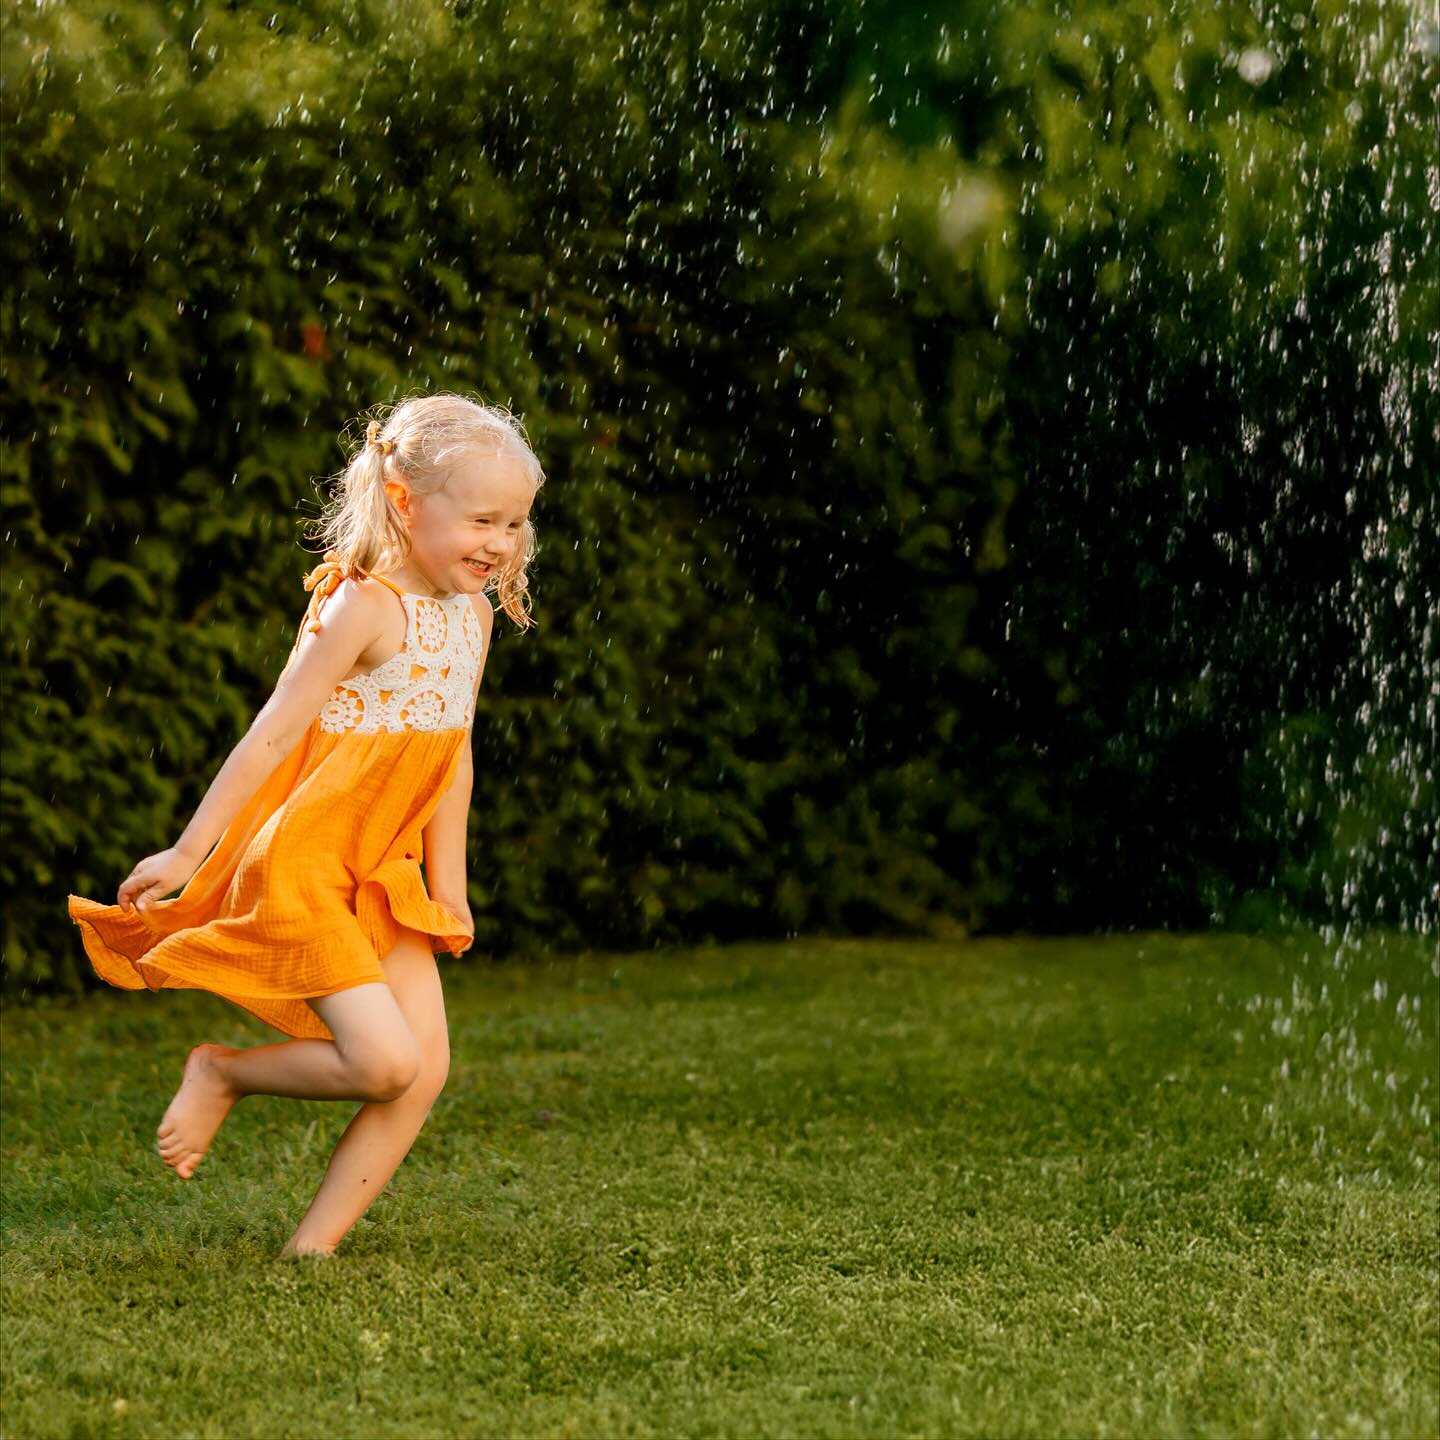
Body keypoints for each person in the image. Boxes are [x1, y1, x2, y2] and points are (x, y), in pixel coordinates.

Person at [66, 392, 543, 1258]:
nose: (500, 543)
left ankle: (309, 1252)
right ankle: (222, 1071)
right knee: (383, 1062)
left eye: (515, 523)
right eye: (483, 519)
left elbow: (451, 754)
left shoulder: (471, 615)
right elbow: (272, 733)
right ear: (405, 503)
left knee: (422, 1071)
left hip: (382, 873)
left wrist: (451, 889)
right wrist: (186, 850)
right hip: (305, 864)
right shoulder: (360, 607)